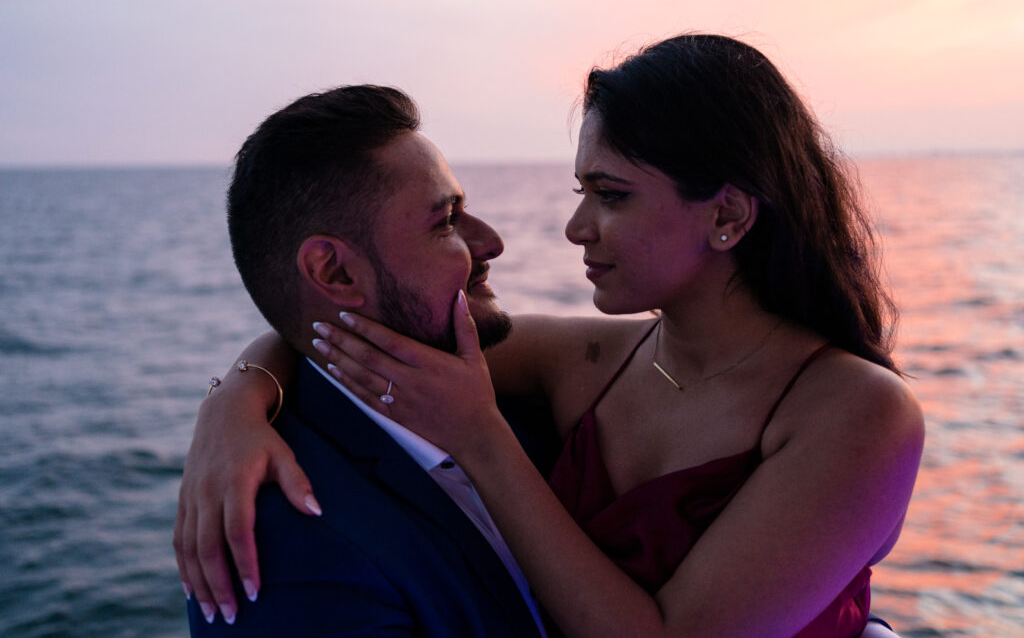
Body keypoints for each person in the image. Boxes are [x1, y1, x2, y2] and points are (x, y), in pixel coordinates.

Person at [177, 34, 924, 636]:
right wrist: (237, 400)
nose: (574, 227)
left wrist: (481, 439)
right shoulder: (592, 360)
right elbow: (343, 333)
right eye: (581, 192)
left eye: (611, 196)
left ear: (727, 214)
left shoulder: (856, 414)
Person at [180, 84, 550, 636]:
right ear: (334, 274)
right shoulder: (288, 551)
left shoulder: (525, 399)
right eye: (447, 221)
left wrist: (237, 392)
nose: (491, 243)